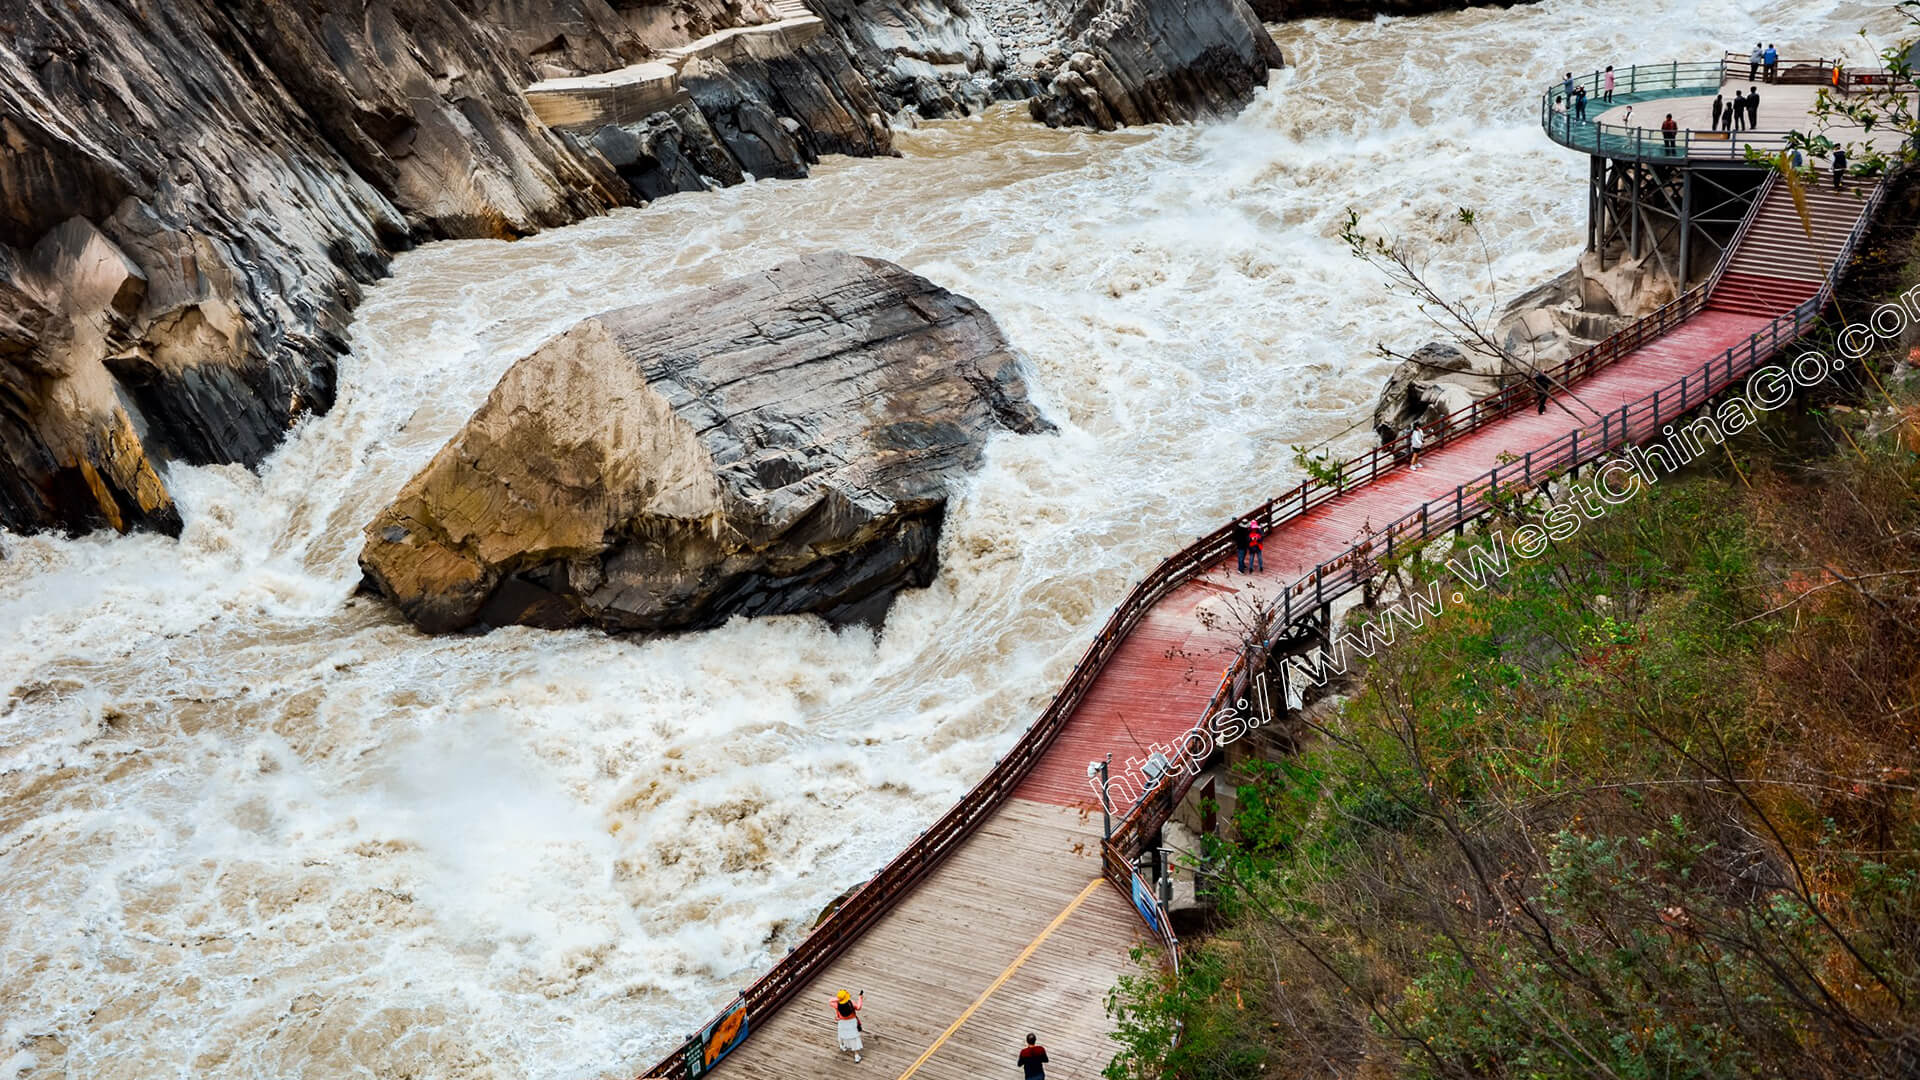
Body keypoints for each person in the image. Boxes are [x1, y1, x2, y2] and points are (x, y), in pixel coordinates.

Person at [833, 990, 864, 1064]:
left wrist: (839, 999)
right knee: (854, 1038)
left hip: (842, 1022)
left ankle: (842, 1046)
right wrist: (860, 998)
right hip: (852, 1022)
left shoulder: (836, 1004)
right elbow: (858, 1007)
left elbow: (830, 1000)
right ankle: (856, 1056)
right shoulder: (851, 1003)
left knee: (842, 1033)